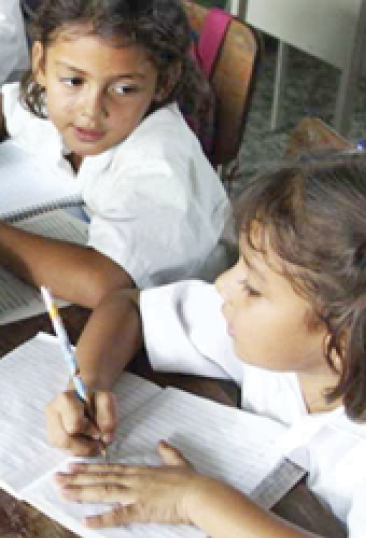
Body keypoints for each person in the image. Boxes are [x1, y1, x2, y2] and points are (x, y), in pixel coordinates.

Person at [44, 154, 366, 536]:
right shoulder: (284, 346)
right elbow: (128, 307)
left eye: (253, 287)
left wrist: (197, 499)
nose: (223, 285)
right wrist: (90, 381)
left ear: (343, 337)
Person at [0, 0, 229, 312]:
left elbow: (105, 284)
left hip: (183, 331)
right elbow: (7, 105)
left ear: (164, 82)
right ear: (40, 64)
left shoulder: (162, 159)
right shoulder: (58, 100)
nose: (91, 111)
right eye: (74, 82)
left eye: (124, 89)